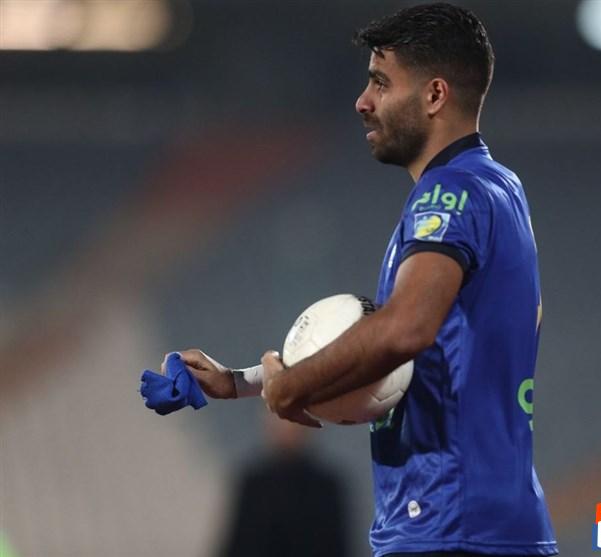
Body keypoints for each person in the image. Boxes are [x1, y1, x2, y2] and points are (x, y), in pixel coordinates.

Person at [169, 3, 558, 556]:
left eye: (381, 82)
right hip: (481, 523)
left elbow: (404, 330)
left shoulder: (451, 193)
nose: (363, 101)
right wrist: (243, 381)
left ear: (435, 95)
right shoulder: (497, 188)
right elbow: (425, 356)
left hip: (451, 526)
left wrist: (291, 390)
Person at [215, 414, 348, 557]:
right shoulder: (255, 485)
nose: (288, 429)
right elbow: (239, 544)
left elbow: (335, 546)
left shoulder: (325, 488)